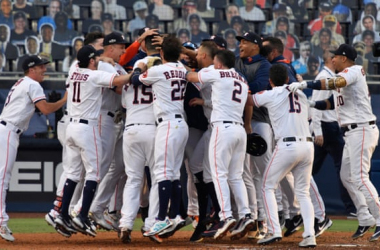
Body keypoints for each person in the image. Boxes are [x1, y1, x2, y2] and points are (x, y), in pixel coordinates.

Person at [289, 43, 380, 242]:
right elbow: (331, 102)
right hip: (352, 132)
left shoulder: (353, 71)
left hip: (362, 128)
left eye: (336, 56)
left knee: (359, 177)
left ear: (345, 58)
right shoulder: (344, 77)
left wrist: (306, 84)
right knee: (346, 176)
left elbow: (333, 84)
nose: (332, 59)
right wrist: (312, 103)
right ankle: (365, 217)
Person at [53, 45, 132, 238]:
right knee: (94, 173)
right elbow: (118, 80)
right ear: (90, 60)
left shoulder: (74, 72)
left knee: (72, 173)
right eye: (95, 58)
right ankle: (82, 215)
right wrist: (136, 73)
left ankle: (62, 214)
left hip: (71, 127)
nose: (97, 60)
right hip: (87, 128)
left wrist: (104, 61)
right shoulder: (93, 76)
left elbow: (95, 64)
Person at [187, 49, 255, 241]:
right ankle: (246, 214)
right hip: (239, 129)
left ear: (218, 64)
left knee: (218, 174)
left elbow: (191, 76)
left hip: (222, 128)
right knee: (236, 176)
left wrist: (178, 69)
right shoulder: (241, 79)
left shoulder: (216, 72)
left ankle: (225, 216)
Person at [0, 55, 67, 242]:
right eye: (41, 67)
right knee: (2, 179)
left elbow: (36, 108)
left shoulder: (23, 82)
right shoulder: (32, 84)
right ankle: (1, 221)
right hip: (8, 132)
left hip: (6, 129)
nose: (44, 69)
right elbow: (45, 109)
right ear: (31, 69)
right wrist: (64, 101)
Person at [132, 36, 189, 238]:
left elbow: (135, 80)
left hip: (168, 124)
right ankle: (175, 216)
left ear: (162, 53)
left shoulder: (157, 70)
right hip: (181, 124)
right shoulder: (182, 69)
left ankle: (160, 220)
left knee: (162, 172)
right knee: (173, 173)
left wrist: (139, 64)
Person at [254, 64, 316, 248]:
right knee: (303, 193)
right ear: (288, 79)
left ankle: (274, 231)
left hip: (287, 145)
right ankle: (310, 235)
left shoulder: (271, 93)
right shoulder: (302, 95)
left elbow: (249, 100)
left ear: (270, 81)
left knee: (267, 186)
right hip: (307, 145)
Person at [118, 34, 160, 244]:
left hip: (131, 129)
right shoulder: (160, 75)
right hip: (153, 130)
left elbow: (124, 106)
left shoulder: (130, 77)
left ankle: (126, 224)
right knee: (155, 178)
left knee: (133, 180)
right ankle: (151, 224)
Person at [310, 47, 356, 219]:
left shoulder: (332, 76)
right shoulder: (324, 77)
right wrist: (317, 131)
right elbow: (314, 104)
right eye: (335, 57)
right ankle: (351, 207)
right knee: (342, 168)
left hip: (330, 127)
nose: (337, 61)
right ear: (332, 60)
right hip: (326, 128)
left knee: (309, 170)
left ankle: (296, 207)